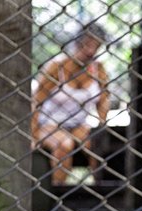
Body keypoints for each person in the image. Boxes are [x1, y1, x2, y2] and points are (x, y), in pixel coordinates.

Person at [32, 23, 110, 186]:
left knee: (97, 145)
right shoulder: (57, 67)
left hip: (79, 124)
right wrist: (32, 135)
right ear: (77, 43)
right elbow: (36, 102)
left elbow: (103, 100)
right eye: (87, 45)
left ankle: (101, 192)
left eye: (96, 47)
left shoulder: (98, 69)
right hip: (49, 124)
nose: (90, 51)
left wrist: (102, 125)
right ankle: (57, 195)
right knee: (64, 145)